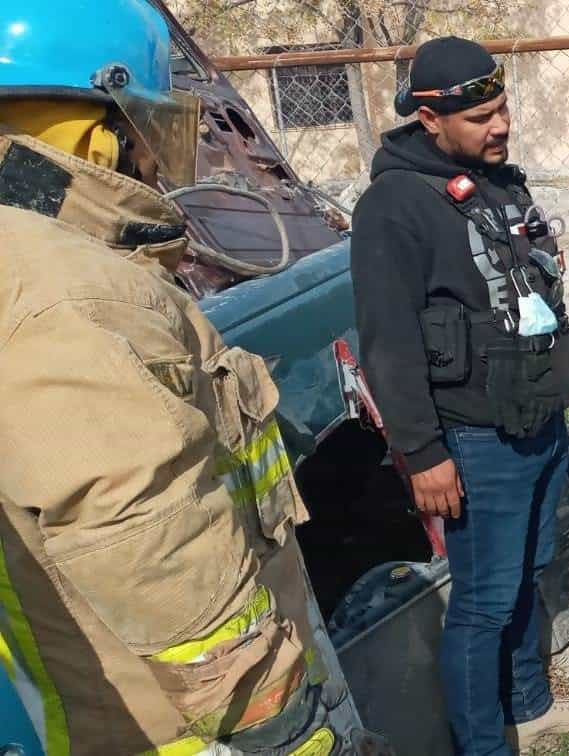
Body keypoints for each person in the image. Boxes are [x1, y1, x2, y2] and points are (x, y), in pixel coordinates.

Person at [0, 1, 382, 753]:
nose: (158, 161)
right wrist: (288, 730)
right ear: (97, 128)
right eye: (153, 130)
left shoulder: (51, 270)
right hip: (194, 731)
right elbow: (145, 536)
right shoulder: (64, 292)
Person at [349, 35, 569, 755]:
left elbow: (539, 293)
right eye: (480, 118)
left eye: (502, 110)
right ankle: (482, 744)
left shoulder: (499, 184)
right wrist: (423, 453)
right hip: (474, 437)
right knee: (484, 602)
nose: (499, 127)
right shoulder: (393, 206)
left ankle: (528, 707)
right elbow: (388, 341)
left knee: (528, 573)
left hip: (537, 417)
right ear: (430, 120)